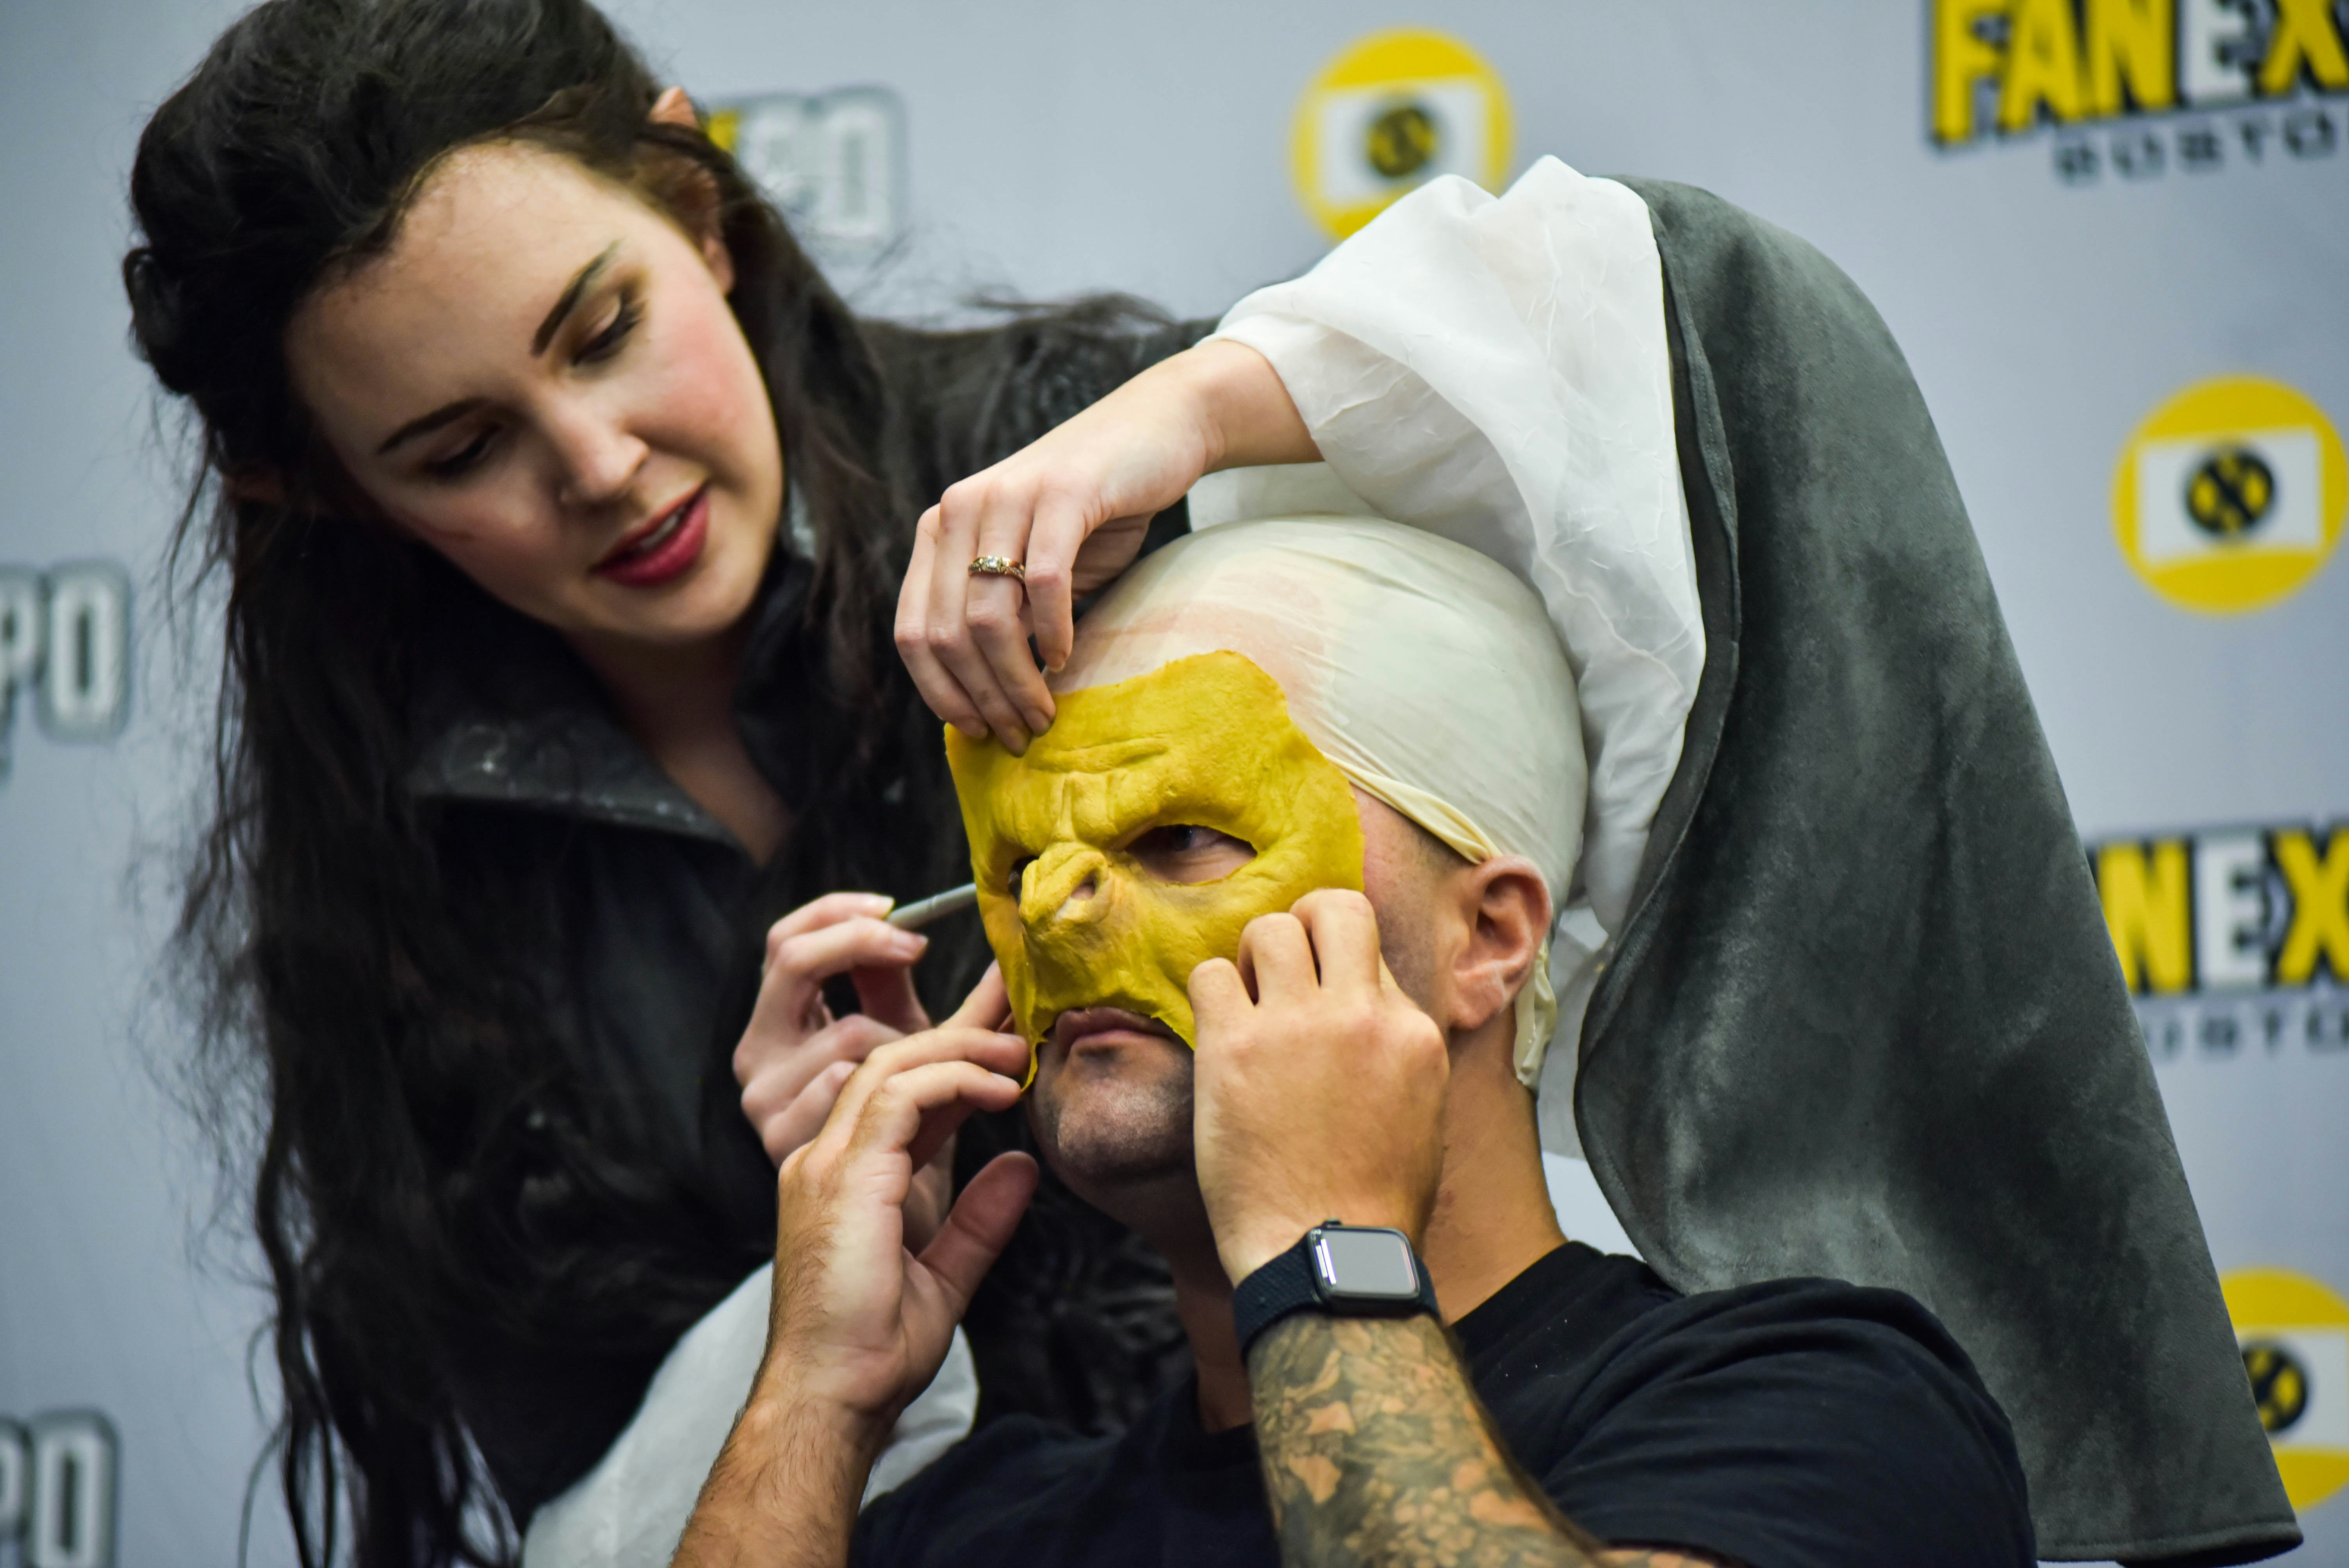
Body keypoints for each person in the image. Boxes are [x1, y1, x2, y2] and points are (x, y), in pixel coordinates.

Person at [123, 0, 1312, 1559]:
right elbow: (596, 1499)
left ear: (697, 207)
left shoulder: (1090, 457)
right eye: (459, 445)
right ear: (320, 487)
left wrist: (1212, 403)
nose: (600, 464)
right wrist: (799, 1261)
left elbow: (1663, 367)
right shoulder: (391, 884)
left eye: (604, 330)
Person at [676, 516, 2039, 1567]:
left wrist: (1325, 1244)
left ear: (1487, 940)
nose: (1053, 907)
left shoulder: (1817, 1415)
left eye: (1179, 839)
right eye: (1024, 854)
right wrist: (817, 1394)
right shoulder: (978, 1527)